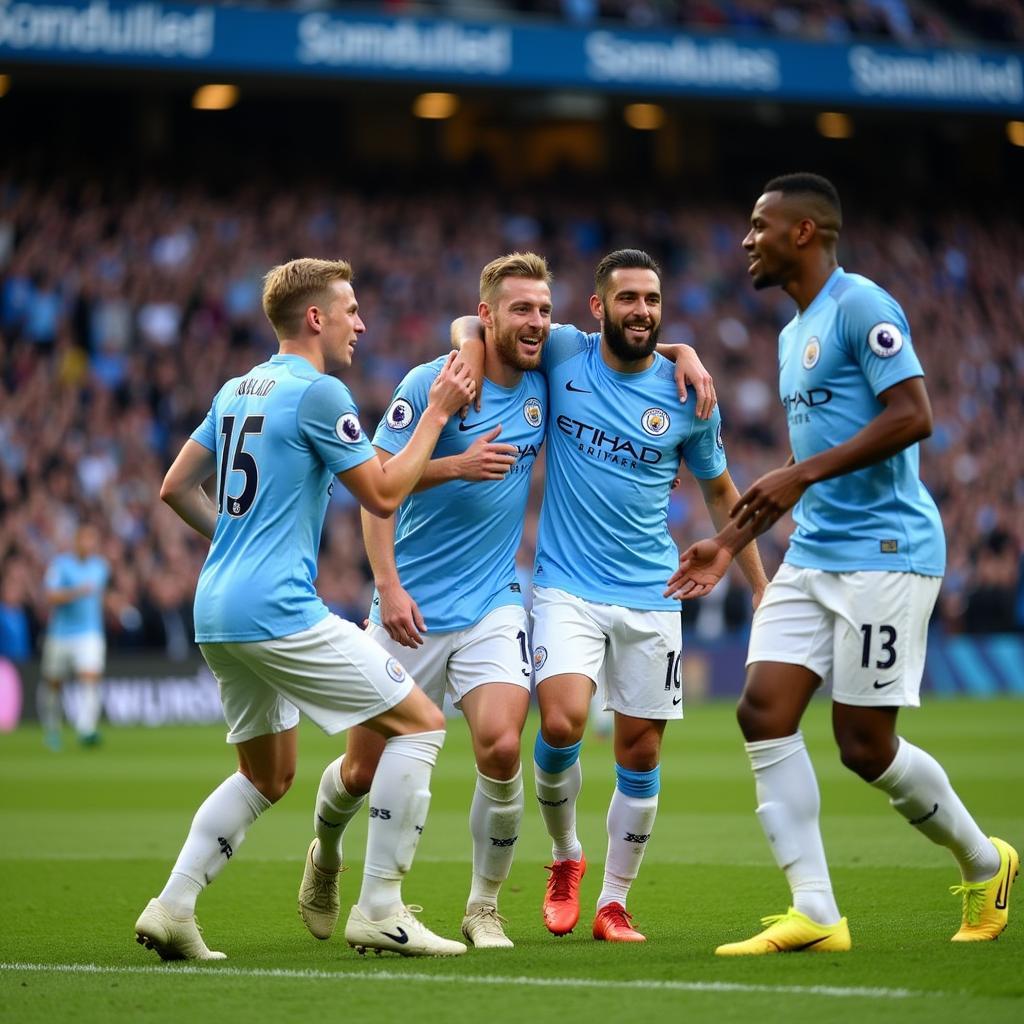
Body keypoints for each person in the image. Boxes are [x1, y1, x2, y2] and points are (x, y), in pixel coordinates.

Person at [666, 173, 1018, 954]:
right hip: (815, 553)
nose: (746, 238)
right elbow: (805, 464)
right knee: (762, 711)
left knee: (863, 746)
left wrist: (801, 473)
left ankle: (985, 860)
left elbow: (914, 414)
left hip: (885, 553)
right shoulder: (793, 336)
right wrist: (727, 545)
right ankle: (816, 911)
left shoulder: (862, 305)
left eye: (760, 225)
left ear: (805, 232)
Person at [134, 257, 475, 961]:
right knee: (420, 723)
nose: (361, 322)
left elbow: (175, 486)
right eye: (350, 309)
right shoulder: (319, 392)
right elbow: (381, 493)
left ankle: (173, 907)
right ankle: (381, 907)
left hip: (217, 607)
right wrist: (437, 413)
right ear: (315, 318)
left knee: (267, 775)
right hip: (275, 608)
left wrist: (235, 542)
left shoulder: (236, 389)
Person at [455, 249, 768, 942]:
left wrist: (761, 588)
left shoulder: (689, 396)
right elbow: (472, 323)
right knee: (562, 722)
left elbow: (721, 492)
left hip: (653, 593)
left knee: (641, 753)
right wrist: (469, 353)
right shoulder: (564, 352)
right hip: (566, 584)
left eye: (653, 300)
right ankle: (566, 856)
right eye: (627, 298)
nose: (642, 311)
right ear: (597, 308)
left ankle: (613, 903)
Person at [297, 252, 550, 951]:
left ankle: (484, 907)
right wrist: (388, 585)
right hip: (409, 606)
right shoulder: (430, 384)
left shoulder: (547, 381)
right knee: (360, 769)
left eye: (544, 310)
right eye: (519, 309)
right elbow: (374, 486)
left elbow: (619, 346)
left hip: (495, 602)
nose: (534, 322)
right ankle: (324, 857)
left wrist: (682, 351)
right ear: (489, 314)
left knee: (501, 747)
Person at [39, 524, 109, 749]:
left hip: (90, 633)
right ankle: (52, 729)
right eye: (86, 540)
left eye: (93, 541)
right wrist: (77, 591)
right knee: (53, 684)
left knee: (91, 677)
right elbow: (50, 598)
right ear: (76, 542)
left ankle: (86, 729)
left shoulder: (101, 567)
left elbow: (100, 597)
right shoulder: (60, 566)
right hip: (60, 634)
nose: (90, 545)